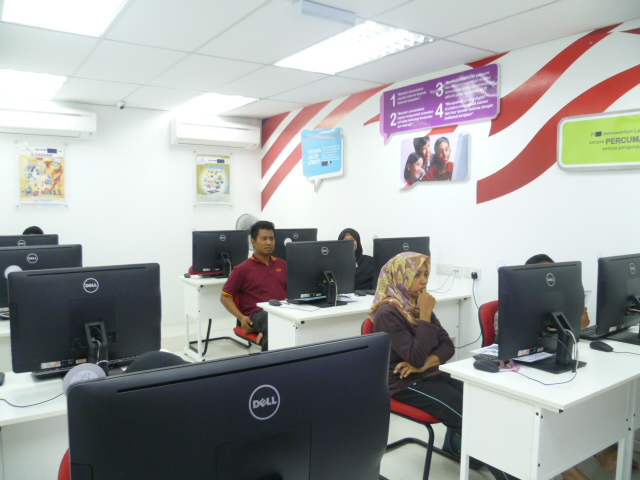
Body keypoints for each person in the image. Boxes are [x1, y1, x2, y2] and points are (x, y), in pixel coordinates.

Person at [220, 220, 286, 352]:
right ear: (254, 242)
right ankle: (269, 363)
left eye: (272, 238)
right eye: (264, 239)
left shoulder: (283, 265)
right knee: (273, 326)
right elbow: (225, 297)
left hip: (284, 309)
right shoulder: (242, 269)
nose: (269, 242)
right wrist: (241, 317)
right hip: (258, 313)